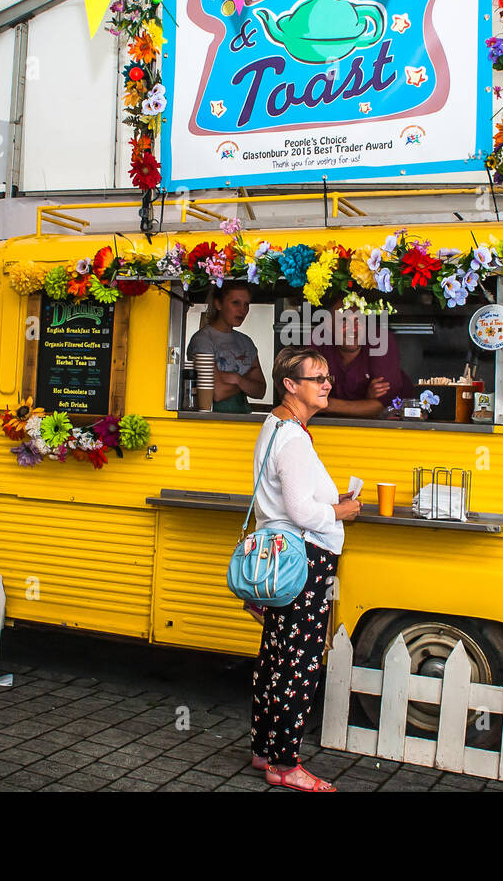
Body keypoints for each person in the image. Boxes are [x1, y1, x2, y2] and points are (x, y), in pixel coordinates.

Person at [248, 346, 361, 792]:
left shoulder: (275, 425)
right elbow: (299, 511)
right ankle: (285, 764)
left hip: (281, 557)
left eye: (328, 377)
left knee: (275, 657)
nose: (327, 384)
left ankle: (264, 751)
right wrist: (343, 510)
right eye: (317, 378)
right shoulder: (292, 437)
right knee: (300, 663)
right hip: (303, 561)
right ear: (290, 386)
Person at [316, 305, 413, 418]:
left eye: (359, 320)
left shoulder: (379, 340)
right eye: (344, 320)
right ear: (329, 325)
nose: (353, 327)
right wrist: (365, 402)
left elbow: (382, 406)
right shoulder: (318, 340)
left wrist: (327, 405)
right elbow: (305, 397)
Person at [186, 281, 266, 413]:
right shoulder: (203, 340)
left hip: (244, 418)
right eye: (236, 303)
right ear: (218, 304)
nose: (242, 310)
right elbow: (218, 393)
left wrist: (236, 378)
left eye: (246, 304)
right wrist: (246, 381)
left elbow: (260, 390)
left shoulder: (246, 342)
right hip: (212, 419)